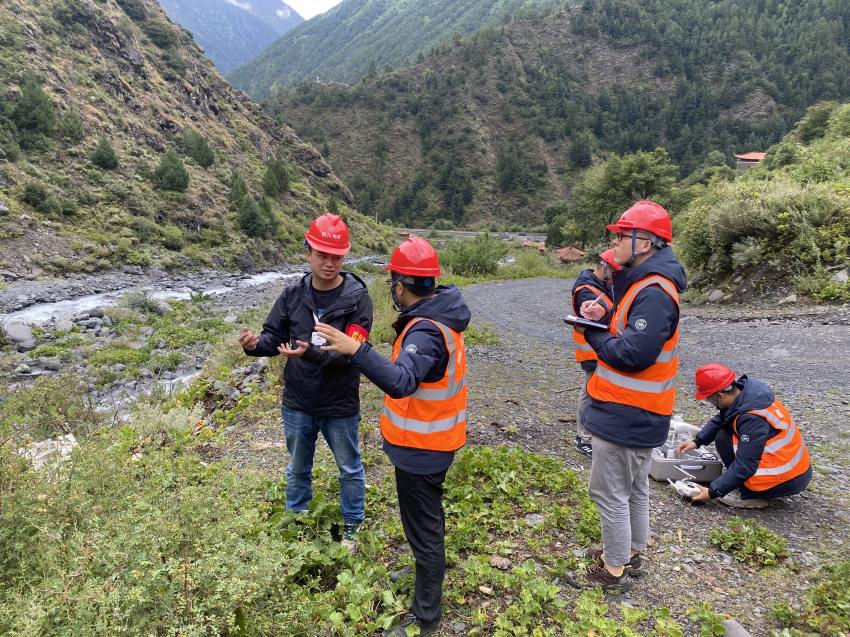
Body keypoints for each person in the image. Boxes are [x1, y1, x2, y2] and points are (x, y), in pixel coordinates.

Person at [315, 236, 469, 637]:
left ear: (400, 284)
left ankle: (426, 616)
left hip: (424, 450)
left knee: (425, 528)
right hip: (428, 446)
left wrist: (356, 349)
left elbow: (401, 382)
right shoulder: (441, 315)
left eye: (393, 285)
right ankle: (424, 575)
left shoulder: (426, 331)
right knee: (422, 524)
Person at [238, 212, 373, 551]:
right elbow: (274, 337)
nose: (330, 263)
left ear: (344, 256)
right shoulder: (292, 295)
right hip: (298, 401)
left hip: (339, 402)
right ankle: (297, 519)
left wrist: (309, 353)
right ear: (308, 253)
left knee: (349, 468)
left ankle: (352, 527)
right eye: (323, 255)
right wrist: (256, 346)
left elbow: (352, 351)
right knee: (298, 467)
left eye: (337, 256)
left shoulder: (357, 298)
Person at [575, 201, 687, 590]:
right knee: (635, 488)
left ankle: (614, 566)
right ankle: (632, 552)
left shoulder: (655, 291)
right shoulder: (647, 284)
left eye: (622, 235)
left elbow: (633, 354)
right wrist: (602, 317)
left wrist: (592, 333)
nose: (616, 241)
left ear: (644, 243)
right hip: (642, 412)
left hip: (627, 413)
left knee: (608, 492)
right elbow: (633, 336)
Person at [678, 363, 812, 508]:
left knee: (728, 444)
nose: (710, 403)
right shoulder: (747, 394)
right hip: (794, 469)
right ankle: (742, 485)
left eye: (709, 399)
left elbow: (745, 465)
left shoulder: (752, 419)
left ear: (720, 396)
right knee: (723, 436)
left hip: (787, 479)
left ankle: (750, 495)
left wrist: (712, 492)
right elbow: (724, 417)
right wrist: (697, 441)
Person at [569, 249, 620, 456]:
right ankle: (583, 437)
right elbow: (597, 318)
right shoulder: (586, 290)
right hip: (592, 350)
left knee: (596, 392)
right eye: (615, 273)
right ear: (604, 269)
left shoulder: (602, 287)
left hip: (603, 348)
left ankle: (592, 434)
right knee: (590, 393)